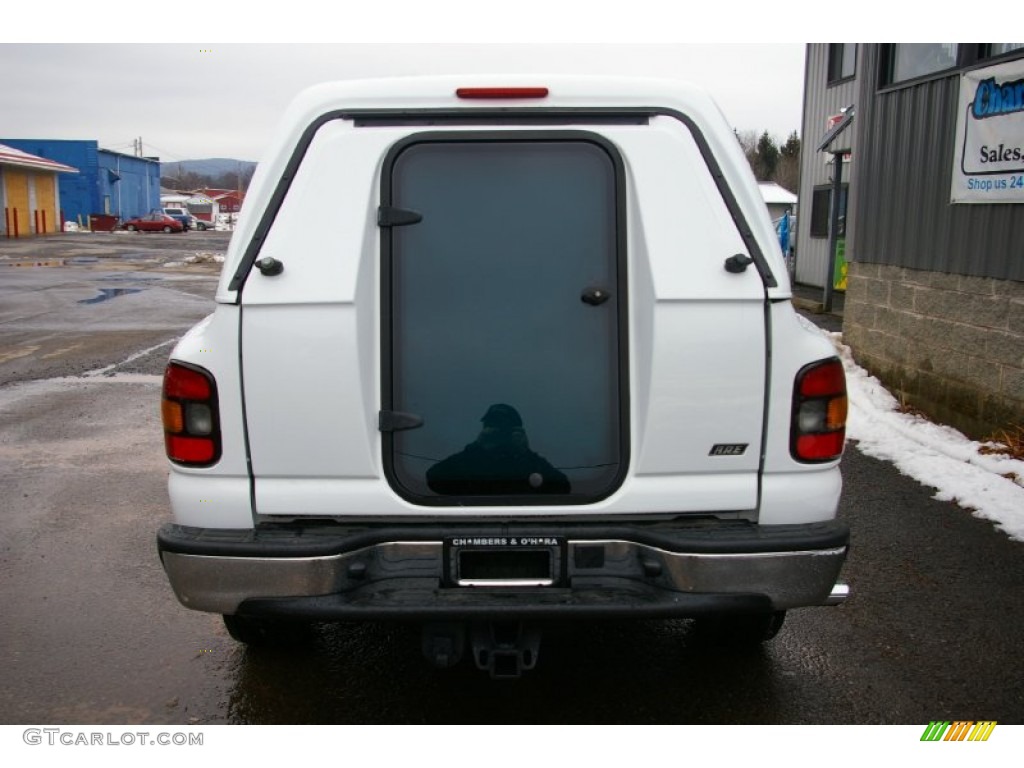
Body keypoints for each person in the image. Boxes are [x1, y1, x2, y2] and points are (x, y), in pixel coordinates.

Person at [426, 404, 570, 496]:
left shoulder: (528, 462)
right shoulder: (471, 461)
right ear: (484, 430)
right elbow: (433, 478)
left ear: (518, 432)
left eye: (505, 429)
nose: (500, 433)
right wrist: (477, 447)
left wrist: (525, 452)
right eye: (492, 427)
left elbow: (563, 487)